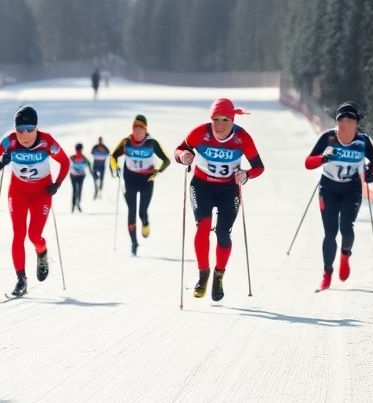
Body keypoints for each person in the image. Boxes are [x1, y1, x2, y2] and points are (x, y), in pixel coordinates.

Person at [175, 97, 265, 301]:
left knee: (223, 233)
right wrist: (183, 157)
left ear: (233, 120)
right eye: (216, 119)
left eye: (225, 120)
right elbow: (180, 150)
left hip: (228, 189)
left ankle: (219, 276)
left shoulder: (243, 138)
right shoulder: (200, 132)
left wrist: (247, 175)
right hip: (202, 185)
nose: (220, 124)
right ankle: (203, 275)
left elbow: (259, 166)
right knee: (203, 227)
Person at [0, 104, 70, 298]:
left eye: (29, 129)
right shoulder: (9, 142)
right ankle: (21, 279)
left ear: (36, 128)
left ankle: (42, 252)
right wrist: (1, 162)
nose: (24, 134)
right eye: (20, 130)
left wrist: (56, 184)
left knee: (34, 235)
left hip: (41, 192)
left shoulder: (47, 141)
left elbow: (65, 162)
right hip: (18, 192)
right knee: (18, 233)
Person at [304, 102, 373, 290]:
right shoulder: (328, 137)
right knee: (330, 232)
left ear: (356, 123)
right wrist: (323, 159)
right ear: (337, 122)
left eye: (350, 119)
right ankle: (327, 272)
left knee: (347, 228)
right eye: (341, 119)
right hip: (328, 188)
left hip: (351, 189)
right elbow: (308, 162)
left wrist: (370, 171)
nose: (345, 123)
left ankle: (345, 255)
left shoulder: (362, 141)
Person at [109, 115, 170, 255]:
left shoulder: (151, 143)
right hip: (129, 180)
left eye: (140, 128)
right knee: (131, 211)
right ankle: (134, 244)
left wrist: (158, 171)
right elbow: (113, 155)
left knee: (142, 211)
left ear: (145, 129)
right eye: (135, 128)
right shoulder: (126, 142)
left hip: (146, 181)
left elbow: (166, 160)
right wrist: (115, 167)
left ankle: (145, 221)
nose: (137, 131)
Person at [68, 143, 89, 212]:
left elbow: (88, 164)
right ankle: (75, 205)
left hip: (77, 176)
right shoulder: (82, 157)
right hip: (77, 176)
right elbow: (88, 165)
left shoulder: (74, 157)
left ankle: (75, 206)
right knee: (77, 190)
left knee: (76, 190)